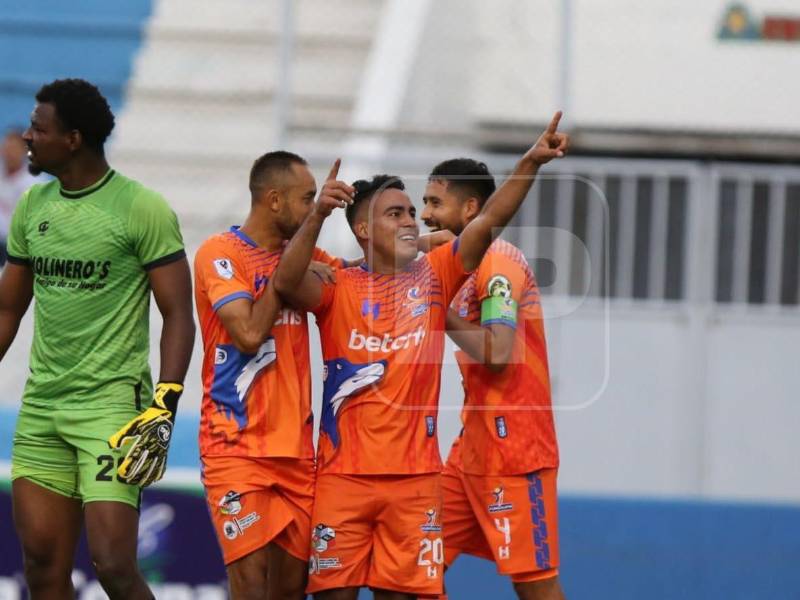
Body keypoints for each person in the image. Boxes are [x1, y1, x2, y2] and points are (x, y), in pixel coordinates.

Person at [272, 112, 569, 600]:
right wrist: (318, 215)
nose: (416, 218)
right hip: (355, 476)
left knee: (524, 582)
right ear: (365, 229)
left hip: (458, 469)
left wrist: (531, 163)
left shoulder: (443, 276)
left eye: (420, 208)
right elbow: (285, 281)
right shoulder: (339, 285)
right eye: (400, 212)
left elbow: (487, 227)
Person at [0, 78, 194, 599]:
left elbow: (179, 314)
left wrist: (164, 406)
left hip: (113, 409)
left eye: (40, 130)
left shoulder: (141, 208)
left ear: (74, 139)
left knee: (112, 564)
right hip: (42, 408)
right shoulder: (32, 208)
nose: (28, 138)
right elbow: (7, 310)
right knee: (42, 565)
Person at [194, 150, 345, 599]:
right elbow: (247, 332)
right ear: (274, 200)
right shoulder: (220, 253)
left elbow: (357, 279)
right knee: (251, 584)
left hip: (296, 453)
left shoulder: (304, 256)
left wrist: (434, 249)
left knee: (289, 591)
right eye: (307, 200)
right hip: (235, 446)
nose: (312, 209)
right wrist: (286, 277)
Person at [421, 158, 565, 600]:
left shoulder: (499, 264)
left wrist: (436, 312)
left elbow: (499, 353)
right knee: (416, 563)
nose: (424, 212)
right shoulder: (452, 262)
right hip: (470, 452)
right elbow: (405, 250)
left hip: (517, 452)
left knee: (535, 586)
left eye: (434, 202)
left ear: (470, 210)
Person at [0, 129, 41, 265]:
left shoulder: (34, 183)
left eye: (14, 148)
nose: (9, 153)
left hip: (11, 247)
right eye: (6, 147)